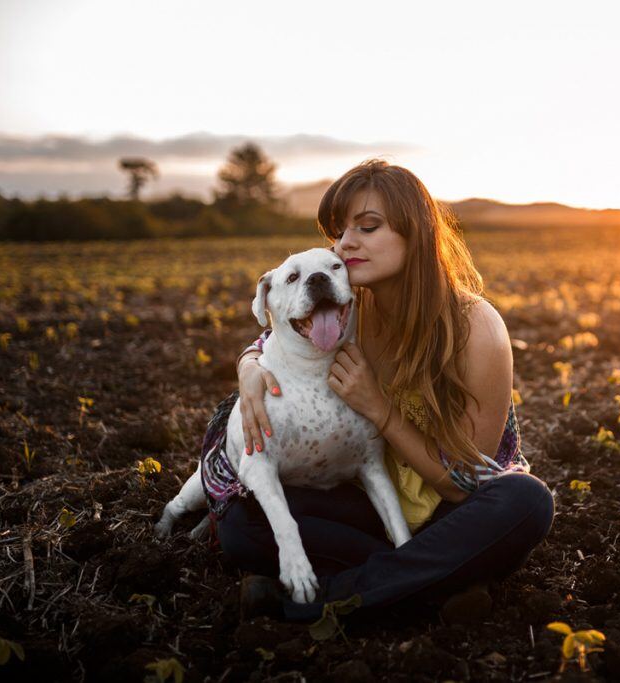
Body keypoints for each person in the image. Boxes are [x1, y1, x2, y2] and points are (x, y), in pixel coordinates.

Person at [199, 159, 554, 623]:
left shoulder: (476, 326)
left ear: (417, 234)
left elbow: (463, 484)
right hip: (367, 506)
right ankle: (431, 588)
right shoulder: (347, 311)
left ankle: (319, 600)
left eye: (367, 227)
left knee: (526, 501)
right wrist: (248, 365)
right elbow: (275, 337)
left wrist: (380, 409)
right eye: (340, 230)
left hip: (449, 513)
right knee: (242, 524)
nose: (347, 243)